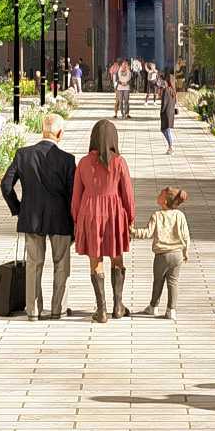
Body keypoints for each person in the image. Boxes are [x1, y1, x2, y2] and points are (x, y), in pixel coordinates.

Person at [0, 112, 77, 320]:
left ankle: (33, 310)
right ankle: (58, 309)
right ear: (59, 133)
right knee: (61, 264)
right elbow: (73, 195)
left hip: (31, 217)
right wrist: (75, 222)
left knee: (34, 264)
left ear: (43, 130)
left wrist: (18, 208)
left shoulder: (23, 154)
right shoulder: (68, 160)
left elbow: (6, 185)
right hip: (60, 218)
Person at [71, 119, 135, 323]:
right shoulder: (119, 162)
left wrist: (76, 220)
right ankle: (118, 306)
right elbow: (128, 195)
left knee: (95, 260)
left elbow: (76, 197)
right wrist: (130, 218)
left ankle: (102, 310)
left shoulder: (82, 163)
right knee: (117, 258)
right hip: (115, 214)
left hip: (90, 213)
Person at [133, 187, 192, 318]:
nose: (158, 194)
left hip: (162, 255)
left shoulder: (157, 216)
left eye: (161, 194)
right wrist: (185, 252)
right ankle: (171, 310)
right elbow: (186, 235)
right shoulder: (180, 215)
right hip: (177, 254)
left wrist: (132, 232)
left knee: (158, 281)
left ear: (164, 201)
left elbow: (147, 233)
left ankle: (153, 306)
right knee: (173, 282)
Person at [158, 73, 177, 154]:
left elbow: (164, 103)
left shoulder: (166, 90)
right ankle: (170, 144)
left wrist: (161, 112)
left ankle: (171, 147)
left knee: (165, 129)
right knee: (166, 129)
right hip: (171, 112)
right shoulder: (173, 90)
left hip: (166, 112)